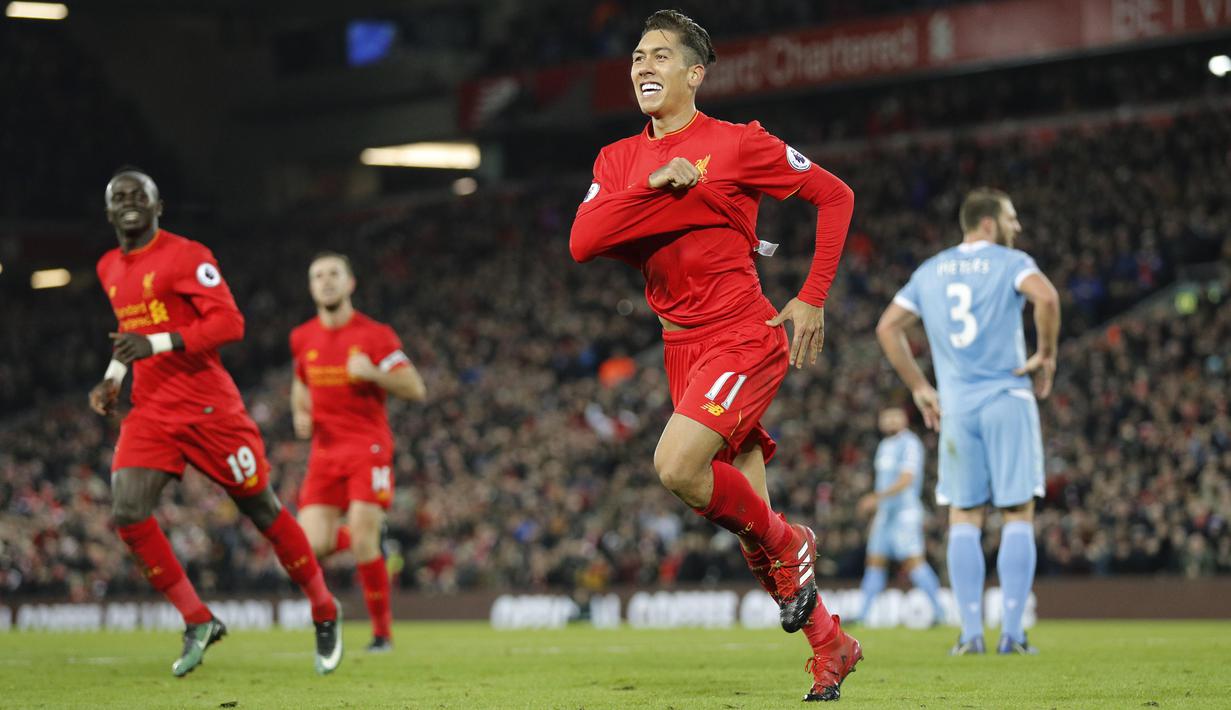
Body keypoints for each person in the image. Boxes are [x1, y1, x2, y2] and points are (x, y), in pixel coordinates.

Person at [568, 10, 860, 702]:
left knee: (675, 466)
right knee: (749, 539)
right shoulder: (616, 160)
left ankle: (794, 542)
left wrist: (812, 295)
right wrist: (652, 183)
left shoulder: (736, 144)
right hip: (678, 347)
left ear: (693, 74)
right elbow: (583, 241)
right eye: (637, 55)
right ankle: (831, 646)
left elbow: (834, 195)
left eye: (660, 56)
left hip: (741, 335)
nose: (643, 65)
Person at [88, 168, 343, 676]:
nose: (130, 202)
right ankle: (198, 619)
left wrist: (157, 344)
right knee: (128, 511)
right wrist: (114, 376)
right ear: (109, 211)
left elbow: (230, 322)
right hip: (152, 410)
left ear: (160, 208)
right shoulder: (107, 267)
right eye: (120, 196)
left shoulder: (187, 256)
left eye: (141, 195)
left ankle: (323, 606)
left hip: (209, 410)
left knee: (263, 511)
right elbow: (131, 329)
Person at [875, 187, 1061, 655]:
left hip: (957, 408)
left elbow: (887, 327)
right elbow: (1048, 299)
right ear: (988, 223)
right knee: (1017, 511)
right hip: (1007, 396)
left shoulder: (930, 270)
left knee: (964, 515)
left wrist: (920, 386)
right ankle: (1014, 634)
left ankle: (970, 634)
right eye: (1011, 218)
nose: (1016, 227)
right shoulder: (1010, 262)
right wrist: (1047, 355)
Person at [290, 251, 426, 652]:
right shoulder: (303, 337)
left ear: (350, 284)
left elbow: (416, 388)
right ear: (312, 287)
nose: (326, 281)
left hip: (368, 448)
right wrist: (300, 412)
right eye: (318, 276)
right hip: (324, 452)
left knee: (364, 539)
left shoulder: (375, 335)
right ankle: (370, 539)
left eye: (334, 274)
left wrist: (375, 374)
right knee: (311, 546)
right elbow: (301, 382)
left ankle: (382, 633)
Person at [854, 407, 944, 625]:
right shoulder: (884, 446)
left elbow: (907, 479)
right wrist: (879, 504)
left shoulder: (910, 443)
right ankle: (862, 616)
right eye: (887, 416)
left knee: (914, 562)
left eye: (896, 416)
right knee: (875, 561)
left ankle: (941, 613)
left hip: (905, 513)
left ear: (905, 420)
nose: (891, 420)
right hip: (885, 514)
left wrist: (876, 497)